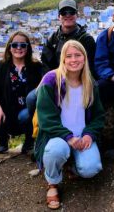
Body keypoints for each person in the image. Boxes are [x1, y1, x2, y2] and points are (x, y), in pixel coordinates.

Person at [34, 40, 105, 209]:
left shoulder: (90, 83)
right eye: (69, 56)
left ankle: (72, 165)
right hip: (58, 136)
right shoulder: (51, 80)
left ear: (84, 58)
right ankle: (52, 183)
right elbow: (46, 118)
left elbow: (98, 116)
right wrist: (68, 137)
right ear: (63, 59)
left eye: (78, 55)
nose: (74, 60)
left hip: (82, 136)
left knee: (91, 169)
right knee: (55, 151)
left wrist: (89, 134)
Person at [0, 31, 43, 154]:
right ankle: (3, 139)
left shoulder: (36, 66)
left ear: (27, 48)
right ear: (9, 47)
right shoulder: (1, 66)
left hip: (26, 114)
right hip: (6, 113)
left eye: (23, 45)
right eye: (15, 45)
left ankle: (29, 141)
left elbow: (44, 87)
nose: (18, 48)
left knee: (26, 115)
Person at [41, 0, 96, 77]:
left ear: (77, 15)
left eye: (71, 12)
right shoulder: (52, 39)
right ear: (58, 16)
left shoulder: (86, 40)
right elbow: (46, 66)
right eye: (63, 13)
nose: (68, 15)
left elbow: (90, 68)